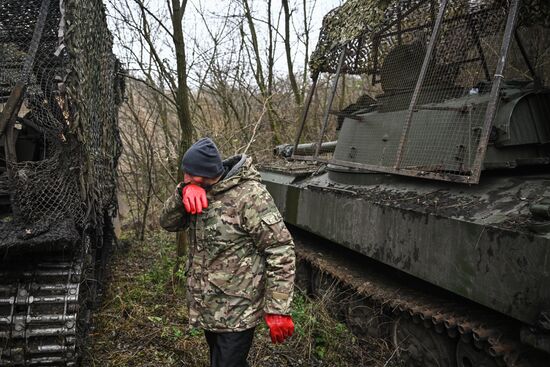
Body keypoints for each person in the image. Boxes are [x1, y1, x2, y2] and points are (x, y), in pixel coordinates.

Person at [159, 137, 296, 367]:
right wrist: (183, 192)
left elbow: (280, 249)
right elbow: (167, 223)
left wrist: (278, 309)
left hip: (238, 310)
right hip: (209, 308)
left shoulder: (250, 197)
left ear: (204, 173)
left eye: (189, 174)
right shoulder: (199, 191)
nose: (184, 177)